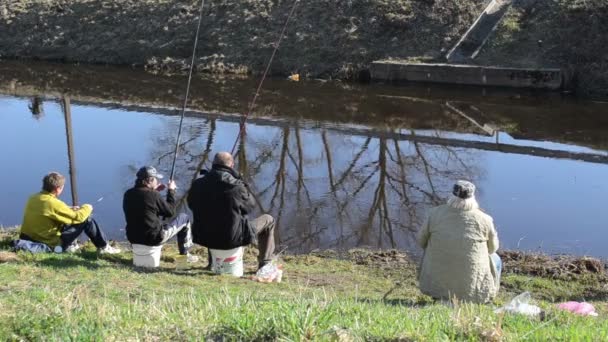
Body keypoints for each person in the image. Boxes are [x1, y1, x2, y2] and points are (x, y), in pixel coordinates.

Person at [187, 152, 276, 270]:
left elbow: (191, 205)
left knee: (211, 214)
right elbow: (250, 206)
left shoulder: (197, 184)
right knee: (269, 220)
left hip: (204, 237)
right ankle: (264, 264)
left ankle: (212, 263)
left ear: (213, 164)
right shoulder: (237, 186)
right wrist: (243, 183)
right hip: (232, 239)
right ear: (232, 165)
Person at [417, 180, 501, 303]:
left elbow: (421, 242)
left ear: (452, 195)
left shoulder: (434, 213)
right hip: (473, 291)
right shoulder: (485, 219)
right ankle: (486, 293)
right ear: (473, 197)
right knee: (496, 258)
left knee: (429, 249)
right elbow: (493, 249)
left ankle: (438, 293)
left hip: (436, 288)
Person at [19, 172, 121, 254]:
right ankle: (103, 247)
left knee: (67, 219)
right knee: (87, 220)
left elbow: (48, 210)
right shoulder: (54, 203)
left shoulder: (33, 198)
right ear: (57, 189)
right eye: (62, 187)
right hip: (51, 244)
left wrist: (68, 208)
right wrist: (88, 207)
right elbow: (79, 217)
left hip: (29, 238)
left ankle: (73, 245)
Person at [123, 166, 198, 262]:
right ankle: (185, 255)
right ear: (149, 180)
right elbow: (170, 212)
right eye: (155, 179)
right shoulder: (153, 195)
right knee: (184, 218)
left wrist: (154, 190)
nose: (157, 181)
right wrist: (171, 191)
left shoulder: (128, 194)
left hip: (133, 237)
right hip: (153, 238)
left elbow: (144, 204)